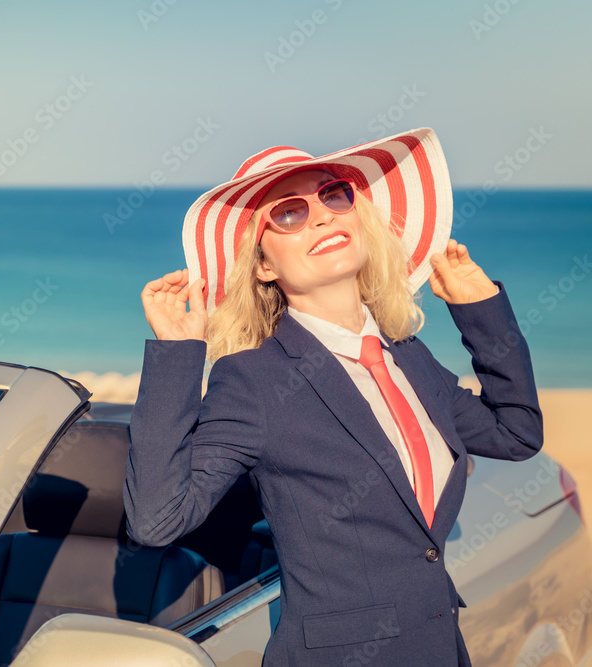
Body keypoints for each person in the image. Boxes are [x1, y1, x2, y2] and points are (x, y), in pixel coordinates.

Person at [122, 128, 542, 666]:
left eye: (333, 194)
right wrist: (177, 358)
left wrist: (481, 311)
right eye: (289, 213)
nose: (321, 214)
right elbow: (157, 520)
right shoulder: (253, 381)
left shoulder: (409, 357)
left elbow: (517, 433)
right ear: (264, 266)